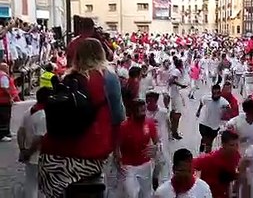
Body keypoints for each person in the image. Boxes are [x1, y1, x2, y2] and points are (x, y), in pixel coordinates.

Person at [39, 38, 125, 197]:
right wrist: (117, 149)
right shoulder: (108, 77)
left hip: (56, 157)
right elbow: (118, 117)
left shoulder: (68, 78)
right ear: (101, 54)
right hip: (91, 154)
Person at [118, 99, 159, 198]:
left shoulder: (149, 123)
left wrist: (155, 148)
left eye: (144, 110)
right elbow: (116, 146)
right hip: (129, 166)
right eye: (140, 110)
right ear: (132, 111)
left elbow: (156, 140)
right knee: (131, 194)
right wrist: (119, 161)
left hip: (145, 165)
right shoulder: (123, 127)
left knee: (147, 194)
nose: (143, 112)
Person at [17, 87, 51, 198]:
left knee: (31, 183)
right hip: (39, 156)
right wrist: (29, 152)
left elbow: (20, 131)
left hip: (29, 154)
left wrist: (22, 149)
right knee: (43, 185)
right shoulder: (43, 115)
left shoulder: (29, 111)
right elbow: (39, 138)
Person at [193, 130, 241, 198]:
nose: (235, 148)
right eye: (232, 145)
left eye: (237, 145)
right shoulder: (210, 158)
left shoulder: (236, 156)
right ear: (223, 145)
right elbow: (191, 164)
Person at [145, 91, 172, 187]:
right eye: (147, 101)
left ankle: (155, 178)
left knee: (161, 162)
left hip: (161, 141)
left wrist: (169, 135)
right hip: (148, 141)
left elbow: (168, 123)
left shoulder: (163, 112)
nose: (149, 103)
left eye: (151, 101)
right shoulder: (143, 113)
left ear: (156, 100)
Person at [196, 84, 230, 153]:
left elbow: (229, 113)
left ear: (220, 93)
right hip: (204, 123)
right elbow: (201, 102)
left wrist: (227, 111)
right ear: (211, 92)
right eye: (214, 93)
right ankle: (206, 155)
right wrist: (198, 111)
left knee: (209, 141)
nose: (216, 95)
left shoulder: (224, 102)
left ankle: (205, 148)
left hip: (215, 126)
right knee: (207, 141)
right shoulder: (206, 98)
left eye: (218, 93)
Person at [0, 62, 20, 142]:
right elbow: (5, 88)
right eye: (7, 67)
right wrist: (10, 97)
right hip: (3, 100)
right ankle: (2, 135)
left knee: (6, 117)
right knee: (4, 117)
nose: (8, 69)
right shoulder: (3, 76)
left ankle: (7, 132)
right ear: (4, 68)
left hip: (3, 100)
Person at [169, 59, 187, 140]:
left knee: (173, 112)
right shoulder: (176, 71)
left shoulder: (177, 70)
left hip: (176, 93)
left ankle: (172, 129)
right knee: (177, 114)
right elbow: (171, 80)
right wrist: (181, 85)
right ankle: (174, 132)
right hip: (175, 94)